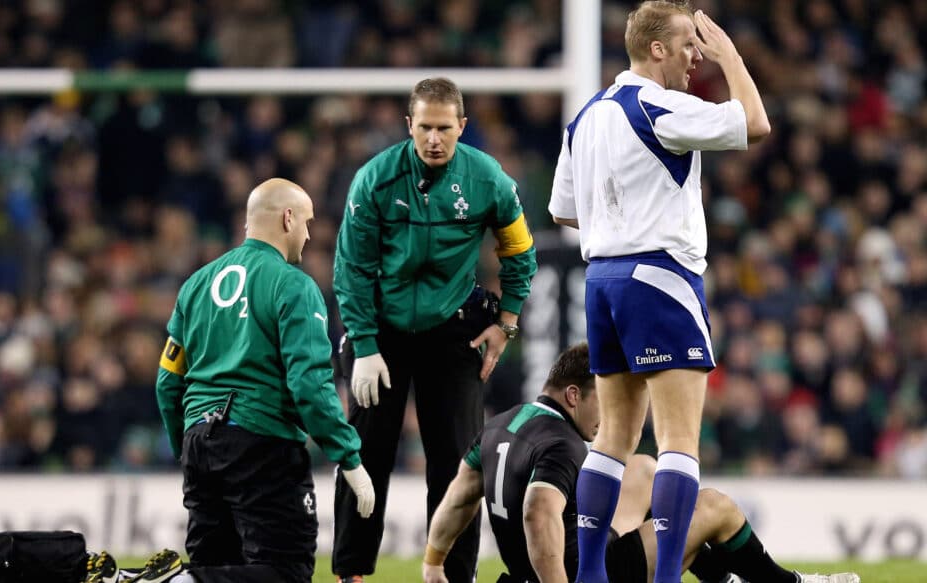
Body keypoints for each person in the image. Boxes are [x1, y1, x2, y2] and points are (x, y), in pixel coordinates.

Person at [546, 4, 771, 582]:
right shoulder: (659, 104)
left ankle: (591, 576)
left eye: (702, 47)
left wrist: (618, 222)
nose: (698, 55)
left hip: (602, 282)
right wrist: (732, 57)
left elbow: (564, 211)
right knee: (677, 441)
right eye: (688, 46)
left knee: (614, 438)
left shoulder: (587, 117)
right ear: (656, 51)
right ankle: (666, 577)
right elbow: (754, 122)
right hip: (660, 278)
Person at [421, 344, 860, 583]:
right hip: (591, 574)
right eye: (603, 401)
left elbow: (459, 498)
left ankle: (722, 581)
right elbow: (539, 513)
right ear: (574, 395)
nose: (609, 416)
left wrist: (433, 561)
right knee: (714, 507)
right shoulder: (562, 444)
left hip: (559, 559)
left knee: (645, 469)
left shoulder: (502, 424)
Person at [333, 77, 538, 583]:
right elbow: (350, 269)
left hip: (453, 331)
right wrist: (363, 345)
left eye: (444, 128)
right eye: (424, 127)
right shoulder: (374, 180)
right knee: (364, 454)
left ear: (462, 127)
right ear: (409, 126)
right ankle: (351, 574)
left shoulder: (488, 180)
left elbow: (521, 252)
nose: (434, 138)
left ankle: (453, 575)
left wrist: (505, 323)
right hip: (381, 332)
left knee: (458, 465)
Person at [154, 178, 376, 583]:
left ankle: (185, 579)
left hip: (199, 444)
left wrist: (184, 448)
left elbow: (167, 383)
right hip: (261, 444)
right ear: (288, 218)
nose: (309, 235)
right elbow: (309, 384)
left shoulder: (196, 285)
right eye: (307, 222)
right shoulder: (294, 286)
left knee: (214, 569)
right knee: (284, 572)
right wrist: (348, 454)